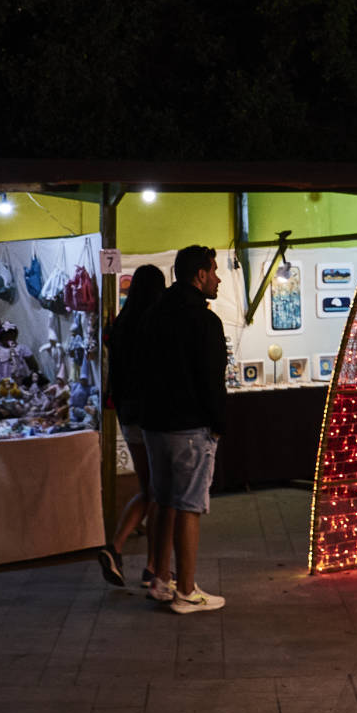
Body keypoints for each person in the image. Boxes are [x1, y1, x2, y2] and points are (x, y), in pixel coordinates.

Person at [139, 245, 227, 613]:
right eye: (214, 271)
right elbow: (211, 378)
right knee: (189, 505)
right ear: (200, 275)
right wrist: (218, 423)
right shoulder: (204, 320)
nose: (218, 278)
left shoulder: (154, 313)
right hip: (190, 426)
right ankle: (187, 591)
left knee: (162, 498)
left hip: (154, 424)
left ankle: (161, 579)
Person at [98, 264, 167, 589]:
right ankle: (154, 567)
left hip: (127, 414)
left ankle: (116, 548)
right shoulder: (154, 323)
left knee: (148, 488)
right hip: (153, 414)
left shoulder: (121, 324)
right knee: (159, 492)